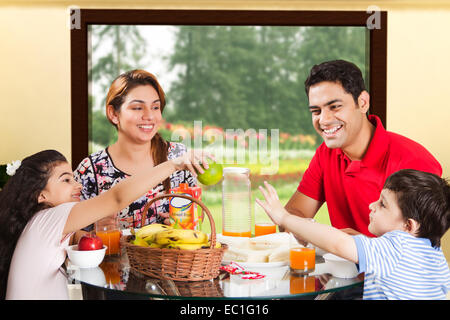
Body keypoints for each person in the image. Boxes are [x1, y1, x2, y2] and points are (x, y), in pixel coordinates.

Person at [0, 149, 208, 300]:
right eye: (66, 180)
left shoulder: (40, 222)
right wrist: (174, 164)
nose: (78, 185)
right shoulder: (53, 216)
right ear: (41, 195)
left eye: (74, 178)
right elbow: (116, 198)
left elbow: (82, 239)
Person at [285, 60, 442, 237]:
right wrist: (302, 227)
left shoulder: (414, 161)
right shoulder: (325, 154)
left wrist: (355, 244)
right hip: (342, 263)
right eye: (316, 111)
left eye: (335, 107)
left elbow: (418, 249)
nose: (324, 120)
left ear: (363, 102)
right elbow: (292, 216)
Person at [257, 169, 450, 300]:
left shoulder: (396, 247)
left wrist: (284, 218)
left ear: (409, 226)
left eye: (382, 204)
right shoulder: (435, 255)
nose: (372, 206)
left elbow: (338, 243)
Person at [74, 69, 197, 231]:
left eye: (155, 107)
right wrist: (92, 231)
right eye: (138, 108)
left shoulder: (179, 157)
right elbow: (65, 232)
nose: (149, 116)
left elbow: (195, 223)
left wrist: (185, 225)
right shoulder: (90, 170)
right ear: (113, 114)